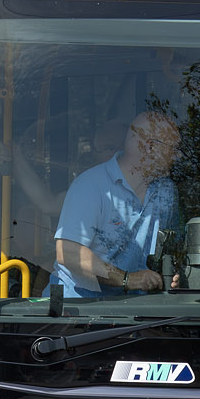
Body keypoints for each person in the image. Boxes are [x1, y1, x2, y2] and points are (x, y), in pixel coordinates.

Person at [51, 111, 183, 297]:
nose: (177, 157)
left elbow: (172, 248)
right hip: (75, 310)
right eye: (173, 149)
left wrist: (174, 273)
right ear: (150, 147)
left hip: (130, 311)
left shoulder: (166, 191)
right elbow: (68, 252)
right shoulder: (91, 185)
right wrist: (127, 279)